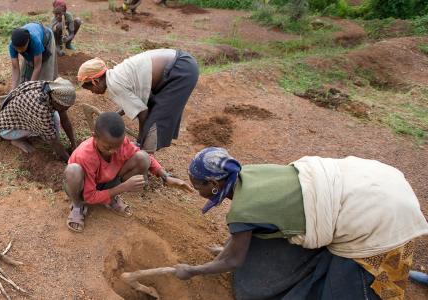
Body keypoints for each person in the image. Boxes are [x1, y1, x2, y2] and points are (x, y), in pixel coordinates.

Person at [169, 147, 428, 299]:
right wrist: (227, 250)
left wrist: (193, 271)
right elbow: (253, 225)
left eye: (197, 185)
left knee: (343, 290)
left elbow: (233, 261)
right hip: (374, 180)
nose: (196, 190)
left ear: (214, 184)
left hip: (375, 214)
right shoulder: (250, 172)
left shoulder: (242, 213)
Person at [64, 112, 193, 233]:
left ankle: (110, 198)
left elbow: (141, 155)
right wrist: (123, 187)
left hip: (106, 180)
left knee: (142, 158)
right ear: (95, 137)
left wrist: (165, 176)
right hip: (83, 188)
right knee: (73, 170)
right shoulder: (85, 156)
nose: (113, 151)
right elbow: (90, 196)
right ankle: (77, 206)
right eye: (107, 147)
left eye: (117, 147)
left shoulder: (119, 143)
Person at [77, 49, 198, 153]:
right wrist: (116, 115)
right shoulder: (116, 74)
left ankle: (145, 158)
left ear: (95, 81)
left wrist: (140, 141)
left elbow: (142, 112)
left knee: (155, 122)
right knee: (153, 109)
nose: (92, 92)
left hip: (179, 71)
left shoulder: (114, 85)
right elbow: (135, 100)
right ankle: (145, 155)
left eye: (91, 89)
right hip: (181, 62)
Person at [0, 77, 77, 161]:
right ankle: (16, 140)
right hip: (7, 129)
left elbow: (65, 120)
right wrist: (69, 160)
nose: (66, 110)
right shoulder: (41, 108)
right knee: (47, 127)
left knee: (55, 116)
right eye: (64, 107)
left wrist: (74, 144)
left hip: (20, 116)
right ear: (57, 102)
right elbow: (53, 140)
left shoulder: (52, 90)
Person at [9, 22, 58, 88]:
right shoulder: (12, 45)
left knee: (44, 77)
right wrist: (13, 89)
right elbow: (15, 68)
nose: (19, 51)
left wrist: (30, 88)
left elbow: (37, 67)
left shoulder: (35, 41)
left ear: (28, 41)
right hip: (32, 39)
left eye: (22, 48)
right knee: (24, 79)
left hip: (46, 39)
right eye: (17, 48)